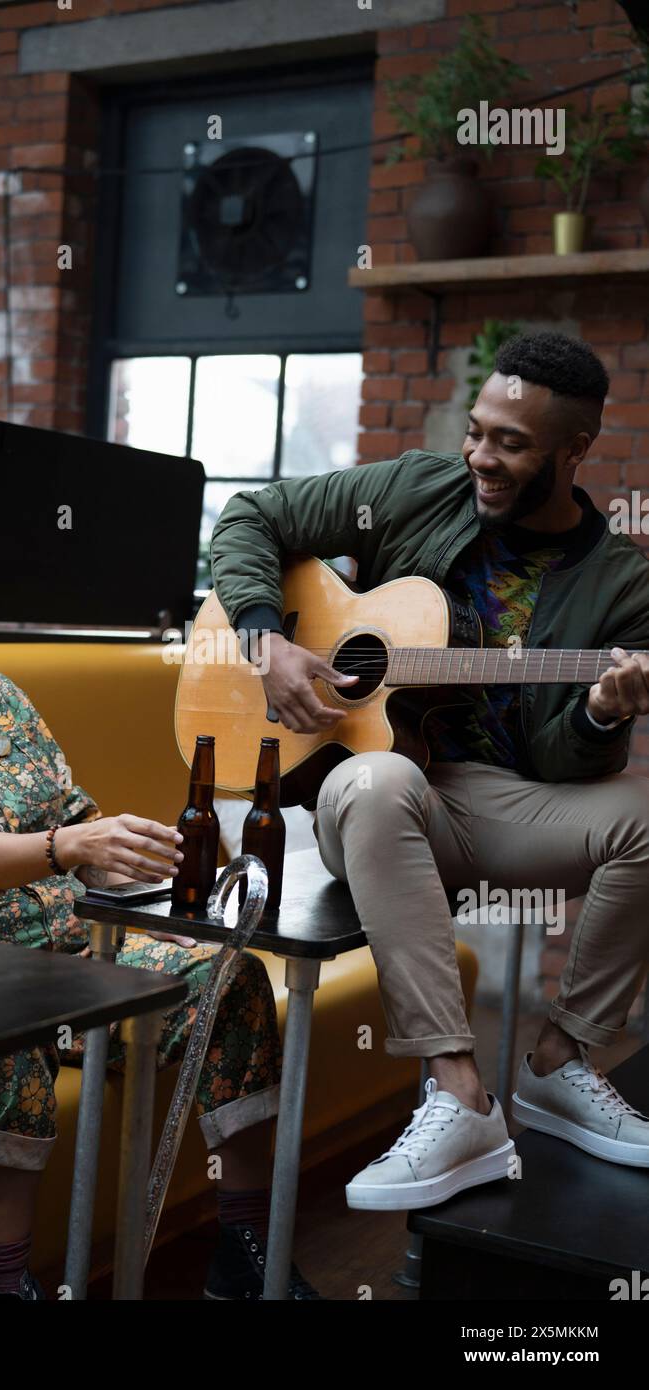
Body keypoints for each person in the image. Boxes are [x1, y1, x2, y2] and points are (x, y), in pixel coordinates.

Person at [0, 521, 321, 1300]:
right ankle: (9, 1286)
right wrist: (70, 844)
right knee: (9, 1033)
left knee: (227, 979)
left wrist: (130, 850)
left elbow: (71, 810)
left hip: (75, 953)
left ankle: (242, 1251)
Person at [211, 330, 649, 1211]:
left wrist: (603, 710)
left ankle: (560, 1065)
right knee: (379, 783)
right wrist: (268, 642)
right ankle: (460, 1094)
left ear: (574, 450)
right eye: (478, 430)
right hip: (369, 784)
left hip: (500, 801)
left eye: (512, 444)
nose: (482, 456)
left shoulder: (620, 583)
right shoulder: (415, 487)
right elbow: (252, 516)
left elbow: (566, 766)